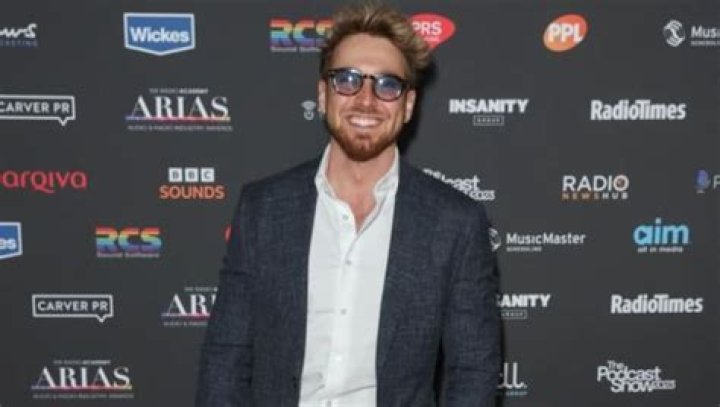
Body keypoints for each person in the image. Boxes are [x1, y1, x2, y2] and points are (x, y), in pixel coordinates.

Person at [196, 2, 500, 406]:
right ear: (323, 94)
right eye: (348, 80)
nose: (366, 100)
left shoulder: (455, 223)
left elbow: (473, 371)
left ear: (408, 105)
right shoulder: (263, 210)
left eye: (387, 85)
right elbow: (226, 358)